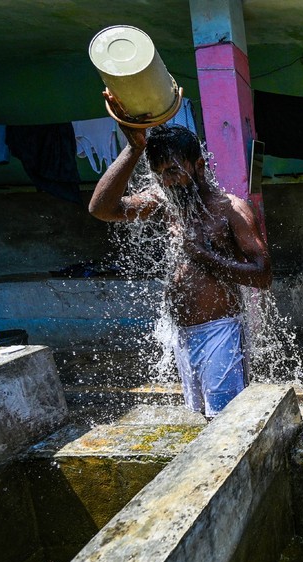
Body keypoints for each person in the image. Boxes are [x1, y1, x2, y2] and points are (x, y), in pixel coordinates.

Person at [89, 94, 271, 418]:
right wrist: (133, 149)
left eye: (173, 171)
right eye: (160, 174)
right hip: (183, 337)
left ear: (199, 165)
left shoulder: (230, 210)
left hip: (221, 332)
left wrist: (204, 257)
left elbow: (262, 274)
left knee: (226, 423)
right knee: (199, 420)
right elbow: (102, 209)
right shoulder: (164, 203)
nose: (167, 181)